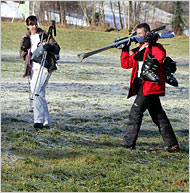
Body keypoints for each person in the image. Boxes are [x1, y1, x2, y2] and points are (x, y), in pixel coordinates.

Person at [118, 23, 179, 152]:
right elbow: (126, 64)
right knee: (158, 116)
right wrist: (125, 49)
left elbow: (160, 56)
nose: (137, 36)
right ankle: (172, 144)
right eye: (136, 33)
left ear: (147, 33)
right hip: (142, 85)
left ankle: (128, 144)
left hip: (151, 86)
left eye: (140, 33)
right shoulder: (140, 49)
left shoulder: (156, 47)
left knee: (135, 113)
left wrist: (152, 43)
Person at [20, 15, 60, 129]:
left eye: (35, 24)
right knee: (38, 94)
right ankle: (46, 121)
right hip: (33, 68)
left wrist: (49, 47)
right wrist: (24, 48)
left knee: (37, 92)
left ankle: (38, 121)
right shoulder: (26, 38)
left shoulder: (44, 35)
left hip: (45, 67)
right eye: (31, 24)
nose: (34, 26)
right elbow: (22, 55)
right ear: (27, 26)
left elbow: (57, 48)